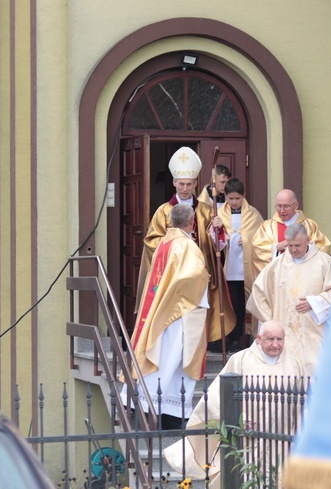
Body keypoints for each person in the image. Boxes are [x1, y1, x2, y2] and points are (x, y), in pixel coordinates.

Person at [164, 320, 304, 488]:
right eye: (270, 339)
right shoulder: (240, 360)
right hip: (247, 439)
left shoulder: (294, 365)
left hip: (281, 442)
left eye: (280, 339)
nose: (275, 344)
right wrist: (239, 418)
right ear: (258, 338)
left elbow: (301, 405)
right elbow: (219, 396)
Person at [137, 146, 235, 347]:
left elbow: (218, 245)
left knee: (197, 312)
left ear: (195, 183)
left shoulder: (207, 210)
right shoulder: (164, 211)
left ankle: (199, 346)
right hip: (173, 274)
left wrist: (218, 231)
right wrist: (176, 246)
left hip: (200, 273)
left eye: (188, 184)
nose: (184, 188)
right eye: (181, 184)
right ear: (174, 183)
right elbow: (151, 241)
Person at [121, 204, 210, 426]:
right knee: (174, 359)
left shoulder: (164, 242)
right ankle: (168, 415)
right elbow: (193, 276)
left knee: (160, 357)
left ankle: (146, 405)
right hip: (179, 314)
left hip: (161, 310)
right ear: (191, 222)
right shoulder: (187, 246)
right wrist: (205, 278)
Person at [247, 223, 331, 376]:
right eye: (290, 246)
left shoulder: (324, 262)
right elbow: (257, 294)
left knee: (315, 372)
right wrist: (271, 322)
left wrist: (315, 302)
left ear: (308, 240)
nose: (293, 250)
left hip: (314, 335)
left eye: (297, 245)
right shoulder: (277, 264)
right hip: (284, 336)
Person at [209, 178, 263, 351]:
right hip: (227, 266)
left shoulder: (253, 214)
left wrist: (246, 239)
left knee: (240, 303)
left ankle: (237, 338)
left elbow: (260, 237)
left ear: (243, 196)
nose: (234, 202)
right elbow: (212, 239)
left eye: (237, 198)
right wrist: (216, 229)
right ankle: (223, 337)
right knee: (227, 303)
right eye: (230, 198)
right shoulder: (218, 213)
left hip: (245, 268)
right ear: (225, 196)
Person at [250, 189, 331, 281]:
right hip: (278, 278)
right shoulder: (267, 226)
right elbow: (257, 250)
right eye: (279, 206)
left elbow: (323, 247)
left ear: (296, 205)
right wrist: (276, 247)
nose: (282, 210)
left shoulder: (309, 225)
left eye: (286, 206)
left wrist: (307, 247)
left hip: (304, 276)